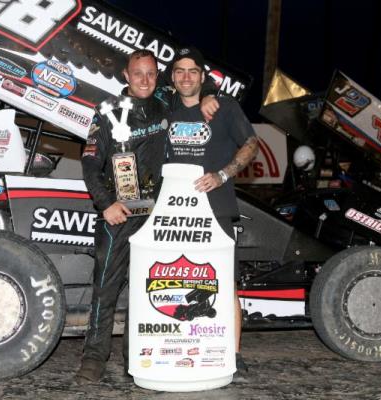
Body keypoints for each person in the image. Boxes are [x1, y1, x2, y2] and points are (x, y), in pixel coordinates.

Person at [77, 49, 218, 384]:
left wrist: (211, 95)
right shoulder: (107, 111)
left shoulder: (166, 103)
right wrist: (105, 203)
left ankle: (137, 358)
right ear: (126, 75)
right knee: (105, 289)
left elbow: (197, 80)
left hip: (157, 215)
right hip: (119, 215)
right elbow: (89, 162)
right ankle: (94, 358)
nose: (144, 80)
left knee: (148, 290)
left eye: (151, 74)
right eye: (138, 73)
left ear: (158, 76)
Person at [167, 47, 259, 380]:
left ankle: (234, 355)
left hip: (217, 210)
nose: (186, 77)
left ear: (203, 77)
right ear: (173, 77)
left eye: (193, 71)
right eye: (179, 71)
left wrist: (222, 175)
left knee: (224, 283)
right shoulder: (167, 107)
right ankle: (181, 350)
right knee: (178, 282)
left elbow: (251, 143)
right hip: (172, 213)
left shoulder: (224, 107)